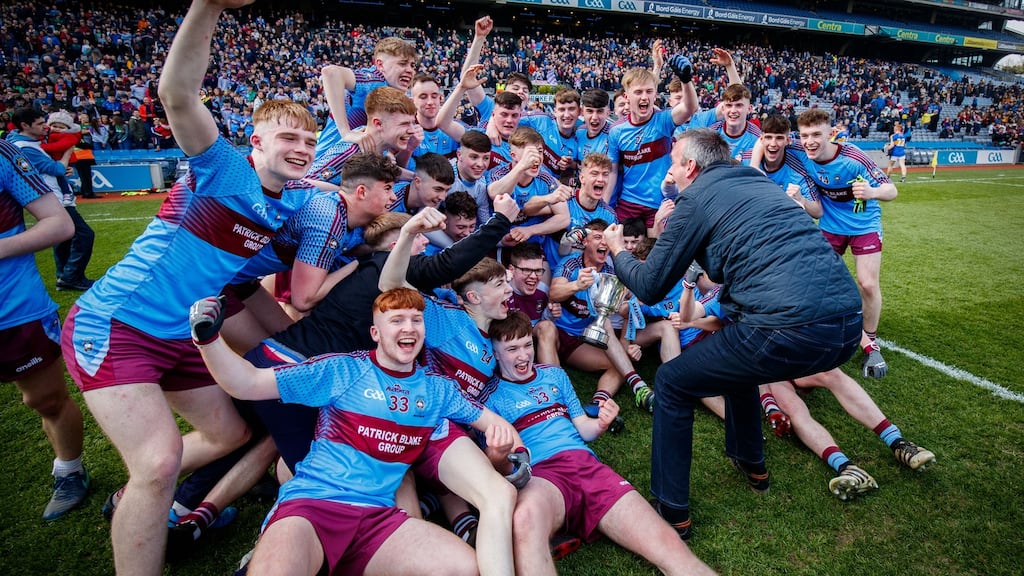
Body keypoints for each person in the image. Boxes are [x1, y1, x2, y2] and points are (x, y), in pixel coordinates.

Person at [59, 0, 322, 572]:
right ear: (255, 139)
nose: (300, 147)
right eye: (287, 137)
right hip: (118, 323)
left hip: (180, 335)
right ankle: (148, 502)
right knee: (158, 461)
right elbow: (177, 93)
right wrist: (208, 6)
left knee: (228, 432)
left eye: (309, 138)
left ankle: (137, 504)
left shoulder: (291, 203)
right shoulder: (223, 166)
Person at [603, 128, 863, 540]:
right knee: (737, 358)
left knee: (671, 381)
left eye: (672, 161)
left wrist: (617, 250)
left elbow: (650, 285)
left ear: (690, 166)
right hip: (849, 324)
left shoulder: (695, 197)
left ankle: (672, 510)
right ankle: (751, 461)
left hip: (788, 327)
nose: (669, 171)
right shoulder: (757, 181)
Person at [191, 288, 518, 576]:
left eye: (416, 320)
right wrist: (208, 339)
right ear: (375, 332)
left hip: (377, 516)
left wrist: (509, 446)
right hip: (313, 505)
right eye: (397, 320)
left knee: (462, 568)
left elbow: (492, 422)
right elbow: (246, 382)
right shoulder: (344, 369)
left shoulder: (438, 390)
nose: (408, 328)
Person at [483, 312, 716, 576]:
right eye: (512, 349)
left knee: (666, 540)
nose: (523, 355)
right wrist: (497, 455)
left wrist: (601, 423)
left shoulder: (554, 376)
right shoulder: (489, 398)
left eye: (527, 345)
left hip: (584, 465)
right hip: (541, 475)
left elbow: (583, 427)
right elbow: (497, 468)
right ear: (494, 352)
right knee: (523, 522)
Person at [0, 138, 84, 520]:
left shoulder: (2, 154)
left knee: (45, 400)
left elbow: (59, 223)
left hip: (13, 308)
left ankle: (70, 470)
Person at [795, 108, 897, 379]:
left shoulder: (853, 157)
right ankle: (823, 330)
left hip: (864, 225)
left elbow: (891, 190)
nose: (810, 141)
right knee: (817, 279)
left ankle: (871, 342)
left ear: (831, 133)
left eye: (817, 134)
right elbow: (767, 139)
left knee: (867, 283)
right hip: (830, 225)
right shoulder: (802, 155)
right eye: (804, 135)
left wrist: (872, 192)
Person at [766, 369, 935, 500]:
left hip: (793, 355)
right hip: (769, 375)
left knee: (832, 374)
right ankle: (847, 468)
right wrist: (770, 407)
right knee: (792, 407)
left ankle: (899, 443)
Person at [544, 219, 654, 416]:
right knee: (610, 334)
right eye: (597, 237)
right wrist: (577, 285)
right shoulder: (571, 263)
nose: (603, 242)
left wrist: (635, 301)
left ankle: (599, 401)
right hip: (563, 335)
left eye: (606, 238)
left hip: (589, 338)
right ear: (585, 243)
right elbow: (554, 292)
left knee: (621, 362)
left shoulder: (612, 270)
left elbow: (626, 305)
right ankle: (639, 385)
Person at [8, 107, 96, 291]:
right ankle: (71, 276)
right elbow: (56, 169)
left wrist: (62, 168)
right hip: (50, 196)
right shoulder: (25, 147)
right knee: (84, 234)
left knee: (63, 236)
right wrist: (66, 156)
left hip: (50, 193)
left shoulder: (27, 143)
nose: (45, 127)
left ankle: (64, 276)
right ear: (24, 125)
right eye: (40, 124)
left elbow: (53, 168)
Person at [607, 61, 697, 234]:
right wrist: (604, 204)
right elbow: (612, 172)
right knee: (620, 252)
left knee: (654, 255)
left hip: (659, 203)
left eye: (649, 92)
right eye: (638, 92)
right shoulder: (616, 131)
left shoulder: (663, 121)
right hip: (628, 202)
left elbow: (690, 108)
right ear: (627, 97)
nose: (644, 97)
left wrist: (686, 80)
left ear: (655, 94)